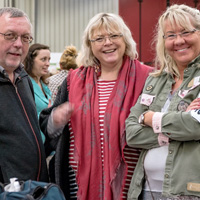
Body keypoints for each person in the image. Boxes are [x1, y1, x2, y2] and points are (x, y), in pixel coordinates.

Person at [39, 12, 152, 200]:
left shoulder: (148, 79)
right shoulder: (73, 81)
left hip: (133, 186)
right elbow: (49, 129)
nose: (107, 43)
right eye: (99, 38)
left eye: (114, 36)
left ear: (125, 39)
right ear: (90, 46)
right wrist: (55, 120)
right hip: (79, 186)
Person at [126, 4, 200, 200]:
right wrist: (178, 127)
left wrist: (150, 118)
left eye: (186, 32)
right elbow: (132, 133)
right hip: (144, 189)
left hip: (188, 192)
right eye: (171, 35)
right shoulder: (155, 79)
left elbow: (194, 126)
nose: (179, 41)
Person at [0, 7, 48, 183]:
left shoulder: (24, 78)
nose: (19, 44)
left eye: (25, 37)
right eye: (10, 35)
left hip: (33, 188)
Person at [23, 43, 52, 143]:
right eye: (43, 59)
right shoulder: (24, 84)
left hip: (47, 142)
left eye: (49, 59)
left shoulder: (44, 85)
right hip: (33, 142)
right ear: (31, 61)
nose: (47, 63)